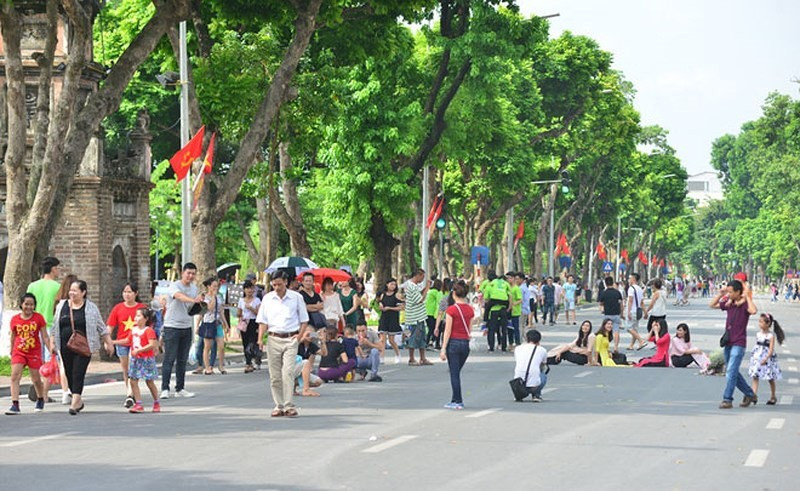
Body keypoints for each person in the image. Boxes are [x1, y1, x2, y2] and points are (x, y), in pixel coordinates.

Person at [49, 280, 115, 415]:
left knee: (78, 372)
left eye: (75, 291)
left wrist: (109, 342)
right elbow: (55, 326)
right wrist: (51, 342)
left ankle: (75, 402)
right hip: (65, 345)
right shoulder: (62, 305)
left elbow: (101, 327)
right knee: (69, 372)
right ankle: (78, 399)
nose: (72, 293)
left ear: (83, 292)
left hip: (84, 346)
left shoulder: (91, 308)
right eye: (71, 290)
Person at [257, 270, 309, 418]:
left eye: (279, 284)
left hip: (291, 338)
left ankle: (289, 405)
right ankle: (278, 405)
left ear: (286, 282)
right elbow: (263, 321)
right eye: (274, 285)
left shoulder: (296, 298)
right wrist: (260, 339)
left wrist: (299, 337)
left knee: (288, 372)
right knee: (275, 375)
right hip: (273, 338)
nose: (277, 287)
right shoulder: (267, 299)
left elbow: (304, 320)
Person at [710, 279, 758, 409]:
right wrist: (721, 294)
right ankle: (749, 393)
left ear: (738, 292)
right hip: (728, 342)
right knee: (732, 371)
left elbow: (754, 311)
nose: (729, 294)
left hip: (739, 343)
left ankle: (727, 399)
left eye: (731, 292)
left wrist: (747, 297)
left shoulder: (744, 305)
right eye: (728, 291)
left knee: (731, 370)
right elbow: (712, 305)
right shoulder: (729, 304)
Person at [161, 263, 203, 400]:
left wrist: (201, 304)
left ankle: (180, 388)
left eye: (193, 274)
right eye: (188, 273)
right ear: (183, 273)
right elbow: (179, 296)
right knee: (169, 358)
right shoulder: (175, 286)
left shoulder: (194, 288)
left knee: (182, 359)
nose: (190, 276)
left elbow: (193, 308)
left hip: (186, 326)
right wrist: (193, 300)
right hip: (172, 326)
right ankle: (165, 388)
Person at [26, 257, 63, 404]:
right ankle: (44, 394)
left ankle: (38, 389)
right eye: (58, 268)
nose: (58, 271)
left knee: (36, 360)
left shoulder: (32, 286)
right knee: (51, 361)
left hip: (33, 326)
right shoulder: (57, 287)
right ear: (53, 269)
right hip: (50, 326)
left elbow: (27, 306)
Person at [6, 294, 50, 415]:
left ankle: (40, 398)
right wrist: (12, 349)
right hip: (19, 351)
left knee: (36, 379)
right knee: (15, 376)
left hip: (34, 351)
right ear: (21, 304)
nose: (29, 307)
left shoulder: (38, 318)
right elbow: (13, 335)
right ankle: (15, 404)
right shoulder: (15, 319)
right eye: (26, 304)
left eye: (31, 304)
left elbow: (44, 336)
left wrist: (50, 348)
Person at [107, 282, 146, 409]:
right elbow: (110, 326)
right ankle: (130, 393)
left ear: (136, 293)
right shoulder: (117, 308)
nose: (127, 294)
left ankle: (130, 394)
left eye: (129, 292)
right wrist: (107, 340)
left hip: (137, 343)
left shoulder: (141, 308)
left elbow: (148, 326)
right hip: (121, 342)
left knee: (132, 368)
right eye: (125, 292)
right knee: (126, 369)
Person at [439, 280, 473, 409]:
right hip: (465, 344)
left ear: (454, 293)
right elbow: (469, 329)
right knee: (456, 372)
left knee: (454, 374)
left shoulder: (451, 310)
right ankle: (454, 398)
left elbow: (447, 331)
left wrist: (443, 349)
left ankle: (458, 400)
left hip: (453, 343)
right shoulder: (470, 310)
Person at [127, 307, 161, 414]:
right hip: (135, 359)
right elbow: (128, 341)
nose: (136, 318)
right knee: (133, 380)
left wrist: (139, 350)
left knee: (149, 381)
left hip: (146, 359)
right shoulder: (133, 330)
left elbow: (152, 345)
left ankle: (156, 402)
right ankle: (138, 403)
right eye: (135, 316)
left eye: (138, 316)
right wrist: (113, 342)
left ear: (145, 318)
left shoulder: (148, 330)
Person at [749, 313, 785, 405]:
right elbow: (756, 346)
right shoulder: (758, 334)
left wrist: (766, 358)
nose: (759, 324)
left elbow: (771, 349)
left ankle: (773, 396)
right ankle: (754, 395)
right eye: (759, 321)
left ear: (768, 324)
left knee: (770, 378)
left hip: (767, 359)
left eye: (761, 322)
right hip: (757, 358)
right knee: (755, 376)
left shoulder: (770, 336)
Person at [199, 277, 229, 375]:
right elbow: (210, 308)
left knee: (221, 346)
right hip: (208, 323)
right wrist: (212, 297)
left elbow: (221, 311)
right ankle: (207, 367)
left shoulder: (219, 297)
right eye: (214, 286)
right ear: (209, 286)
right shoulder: (205, 298)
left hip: (217, 323)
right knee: (207, 346)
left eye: (217, 286)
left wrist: (225, 323)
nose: (216, 288)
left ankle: (221, 365)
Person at [403, 269, 432, 365]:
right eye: (422, 277)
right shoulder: (411, 286)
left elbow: (419, 294)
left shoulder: (414, 286)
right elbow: (419, 299)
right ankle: (411, 358)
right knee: (414, 337)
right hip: (414, 317)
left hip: (420, 316)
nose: (422, 279)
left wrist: (425, 289)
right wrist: (427, 288)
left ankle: (422, 358)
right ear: (417, 275)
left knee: (422, 338)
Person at [513, 329, 548, 401]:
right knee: (542, 374)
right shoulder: (542, 350)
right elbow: (543, 364)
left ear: (526, 339)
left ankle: (519, 395)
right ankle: (536, 395)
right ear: (539, 340)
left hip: (518, 384)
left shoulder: (518, 348)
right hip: (534, 386)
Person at [377, 278, 404, 364]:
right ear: (387, 284)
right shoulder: (382, 295)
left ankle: (397, 354)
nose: (393, 286)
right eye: (391, 284)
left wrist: (390, 308)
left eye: (394, 285)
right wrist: (380, 305)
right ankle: (381, 357)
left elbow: (401, 307)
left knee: (392, 340)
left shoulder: (397, 295)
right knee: (382, 339)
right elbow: (379, 303)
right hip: (384, 318)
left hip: (393, 318)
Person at [237, 280, 262, 373]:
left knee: (252, 343)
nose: (249, 290)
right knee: (245, 343)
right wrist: (240, 315)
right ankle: (248, 363)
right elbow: (238, 313)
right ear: (244, 290)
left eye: (251, 288)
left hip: (254, 322)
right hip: (244, 322)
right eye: (247, 288)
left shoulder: (257, 300)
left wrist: (251, 309)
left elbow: (260, 313)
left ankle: (255, 357)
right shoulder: (241, 300)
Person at [597, 277, 623, 352]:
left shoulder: (604, 293)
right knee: (616, 331)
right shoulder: (617, 292)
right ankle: (616, 347)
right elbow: (621, 304)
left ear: (606, 283)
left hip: (607, 314)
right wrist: (621, 314)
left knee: (606, 331)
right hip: (616, 314)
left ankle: (606, 346)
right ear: (612, 282)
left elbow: (601, 303)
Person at [295, 329, 323, 396]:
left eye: (311, 334)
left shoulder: (311, 345)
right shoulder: (296, 339)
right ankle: (306, 389)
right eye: (308, 334)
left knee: (318, 382)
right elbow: (292, 345)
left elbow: (324, 353)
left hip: (301, 371)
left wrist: (322, 341)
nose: (310, 336)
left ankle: (293, 384)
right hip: (290, 369)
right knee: (306, 362)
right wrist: (303, 337)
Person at [623, 273, 648, 351]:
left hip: (632, 311)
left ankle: (641, 341)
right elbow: (641, 302)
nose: (628, 280)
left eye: (629, 278)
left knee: (628, 328)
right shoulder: (639, 289)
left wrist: (628, 312)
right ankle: (631, 345)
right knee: (634, 329)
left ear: (633, 279)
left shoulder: (631, 288)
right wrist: (645, 312)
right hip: (638, 311)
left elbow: (630, 300)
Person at [425, 279, 444, 348]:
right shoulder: (436, 292)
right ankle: (431, 342)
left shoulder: (430, 291)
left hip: (427, 312)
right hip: (432, 312)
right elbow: (440, 301)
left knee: (430, 328)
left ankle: (428, 342)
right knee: (434, 328)